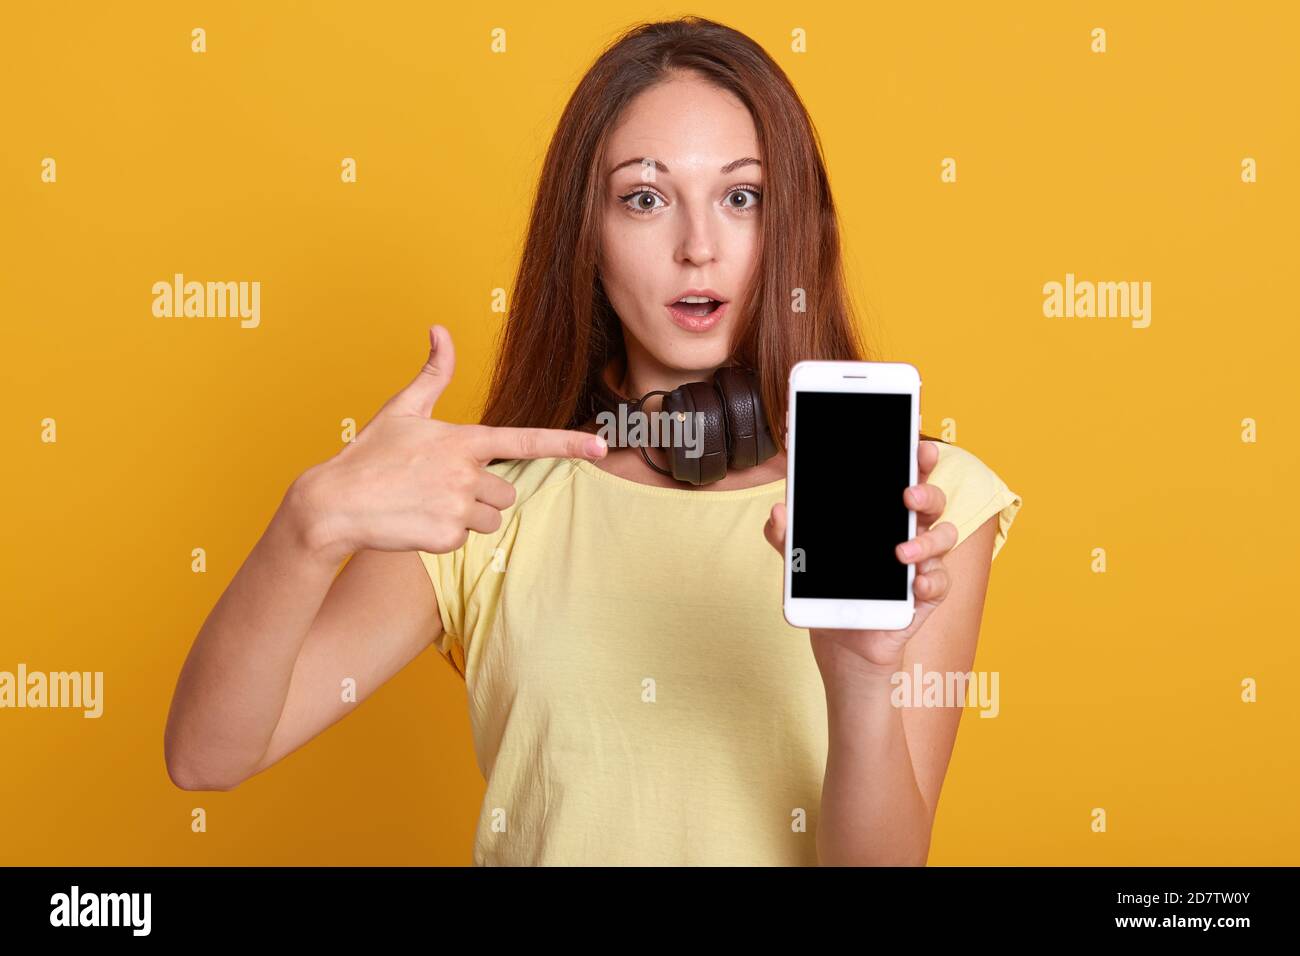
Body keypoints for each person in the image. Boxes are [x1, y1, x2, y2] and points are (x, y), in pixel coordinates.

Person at [164, 16, 1022, 866]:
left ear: (792, 221)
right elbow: (206, 757)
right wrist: (309, 524)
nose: (698, 247)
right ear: (588, 236)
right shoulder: (485, 500)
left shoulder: (924, 499)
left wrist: (861, 680)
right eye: (644, 198)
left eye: (741, 197)